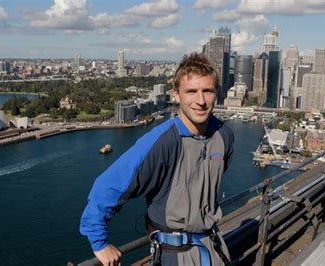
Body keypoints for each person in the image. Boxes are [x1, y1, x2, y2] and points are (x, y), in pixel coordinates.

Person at [80, 52, 234, 266]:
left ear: (216, 92)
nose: (200, 101)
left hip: (213, 246)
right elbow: (107, 186)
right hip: (175, 254)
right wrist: (99, 243)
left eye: (207, 91)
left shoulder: (224, 136)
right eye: (191, 91)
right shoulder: (161, 142)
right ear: (176, 95)